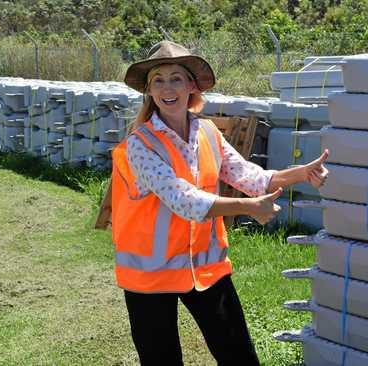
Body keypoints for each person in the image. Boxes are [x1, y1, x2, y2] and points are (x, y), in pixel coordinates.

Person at [112, 40, 329, 365]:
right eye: (158, 79)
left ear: (191, 86)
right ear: (149, 91)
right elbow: (183, 200)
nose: (167, 87)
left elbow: (247, 175)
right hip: (150, 276)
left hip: (204, 267)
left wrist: (297, 174)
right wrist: (247, 208)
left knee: (240, 357)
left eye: (176, 78)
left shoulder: (207, 133)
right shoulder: (140, 145)